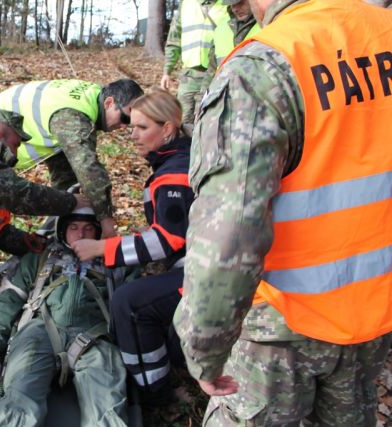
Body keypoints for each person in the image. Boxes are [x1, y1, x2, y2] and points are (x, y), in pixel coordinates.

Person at [174, 0, 392, 425]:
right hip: (374, 315)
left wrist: (205, 348)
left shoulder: (264, 67)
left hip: (280, 327)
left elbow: (230, 234)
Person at [71, 89, 194, 404]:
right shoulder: (180, 160)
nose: (133, 135)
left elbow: (168, 239)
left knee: (129, 302)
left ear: (167, 129)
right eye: (132, 126)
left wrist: (101, 249)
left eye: (142, 127)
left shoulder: (174, 174)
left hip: (205, 272)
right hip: (203, 262)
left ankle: (155, 391)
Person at [0, 208, 133, 426]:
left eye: (88, 228)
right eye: (74, 227)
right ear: (62, 230)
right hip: (40, 330)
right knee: (19, 395)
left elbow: (138, 309)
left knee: (107, 404)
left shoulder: (118, 262)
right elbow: (7, 301)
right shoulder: (40, 258)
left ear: (98, 231)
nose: (81, 234)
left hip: (95, 337)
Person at [0, 108, 89, 335]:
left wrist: (21, 241)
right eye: (16, 144)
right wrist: (71, 202)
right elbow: (20, 195)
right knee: (1, 315)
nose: (17, 154)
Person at [0, 78, 144, 238]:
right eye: (125, 118)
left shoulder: (94, 96)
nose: (124, 126)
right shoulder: (74, 117)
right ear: (108, 102)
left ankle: (52, 235)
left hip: (26, 121)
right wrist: (107, 225)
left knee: (69, 186)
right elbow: (89, 169)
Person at [160, 0, 227, 137]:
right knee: (182, 122)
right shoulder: (186, 4)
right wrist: (167, 71)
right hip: (189, 76)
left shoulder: (227, 5)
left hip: (217, 74)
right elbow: (174, 39)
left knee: (209, 122)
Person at [209, 0, 259, 70]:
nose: (235, 9)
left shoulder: (268, 22)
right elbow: (212, 66)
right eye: (232, 4)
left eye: (240, 3)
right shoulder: (222, 25)